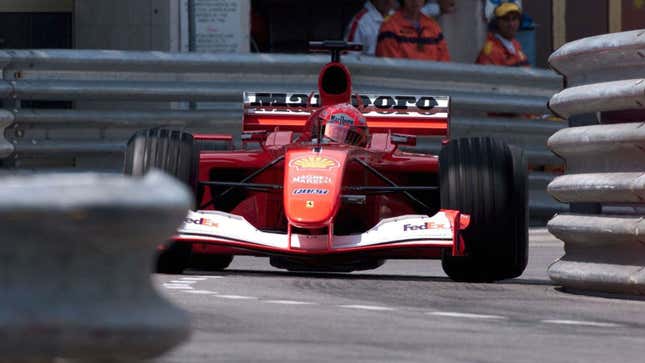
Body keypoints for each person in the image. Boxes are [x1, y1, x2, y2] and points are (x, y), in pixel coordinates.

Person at [375, 0, 450, 61]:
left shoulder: (433, 27)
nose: (416, 1)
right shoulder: (389, 27)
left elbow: (444, 63)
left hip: (431, 79)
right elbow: (391, 68)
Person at [475, 2, 529, 67]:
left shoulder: (515, 45)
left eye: (514, 19)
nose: (511, 24)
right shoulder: (491, 52)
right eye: (506, 19)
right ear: (497, 23)